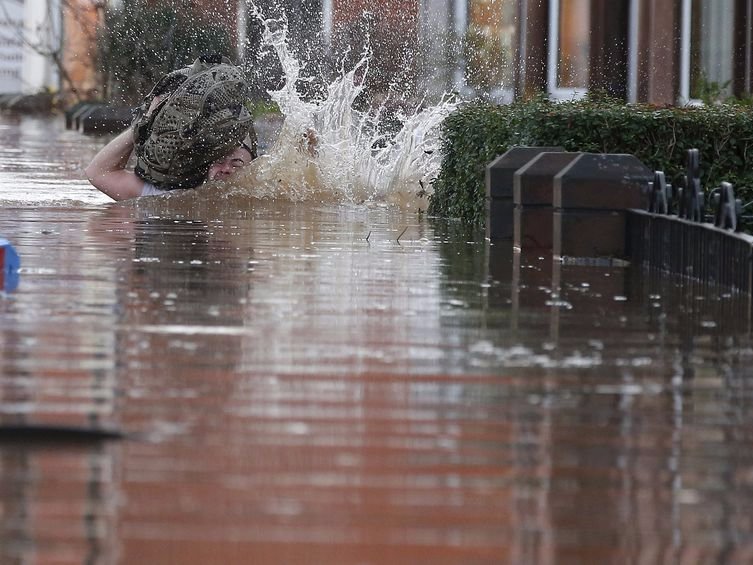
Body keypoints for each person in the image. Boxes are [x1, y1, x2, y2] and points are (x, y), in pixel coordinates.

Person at [85, 121, 255, 201]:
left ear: (254, 167)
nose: (226, 169)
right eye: (218, 160)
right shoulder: (169, 195)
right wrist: (141, 126)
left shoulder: (266, 198)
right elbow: (98, 173)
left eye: (236, 163)